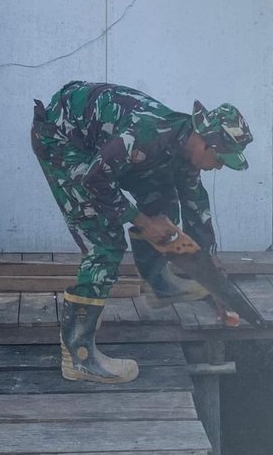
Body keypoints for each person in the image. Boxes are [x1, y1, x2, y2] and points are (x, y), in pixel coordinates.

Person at [30, 81, 252, 383]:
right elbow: (94, 179)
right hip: (62, 141)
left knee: (162, 206)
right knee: (105, 243)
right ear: (205, 144)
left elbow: (196, 207)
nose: (220, 167)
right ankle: (78, 357)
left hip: (100, 150)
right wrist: (143, 223)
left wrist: (214, 280)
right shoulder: (147, 135)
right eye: (221, 160)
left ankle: (159, 284)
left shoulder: (185, 147)